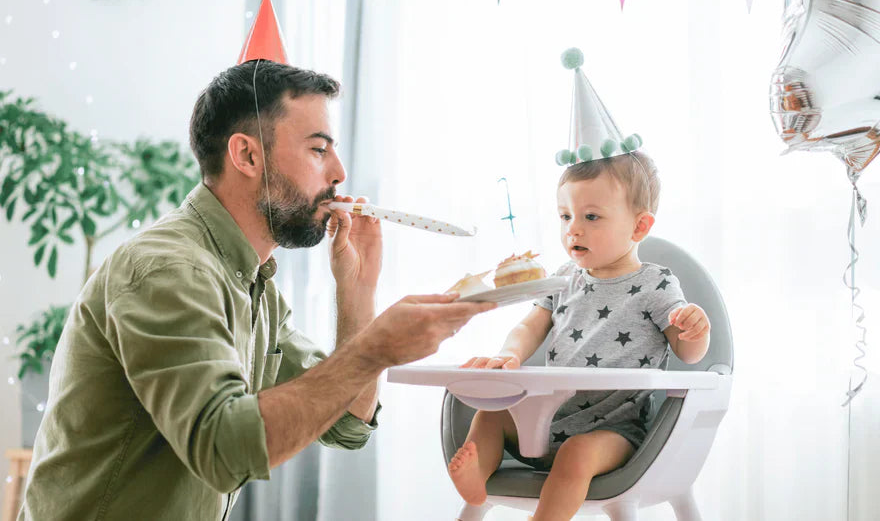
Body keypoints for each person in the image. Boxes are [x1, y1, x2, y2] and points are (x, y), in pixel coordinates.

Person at [19, 60, 495, 521]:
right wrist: (373, 351)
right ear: (247, 155)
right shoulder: (170, 270)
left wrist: (357, 295)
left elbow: (348, 420)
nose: (339, 173)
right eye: (317, 149)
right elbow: (223, 451)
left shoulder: (254, 284)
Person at [446, 150, 710, 521]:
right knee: (491, 415)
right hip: (548, 420)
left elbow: (690, 354)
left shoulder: (655, 283)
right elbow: (529, 326)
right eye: (565, 216)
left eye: (591, 217)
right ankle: (477, 481)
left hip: (614, 431)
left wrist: (695, 330)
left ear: (638, 227)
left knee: (577, 453)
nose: (573, 228)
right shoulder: (563, 277)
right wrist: (510, 355)